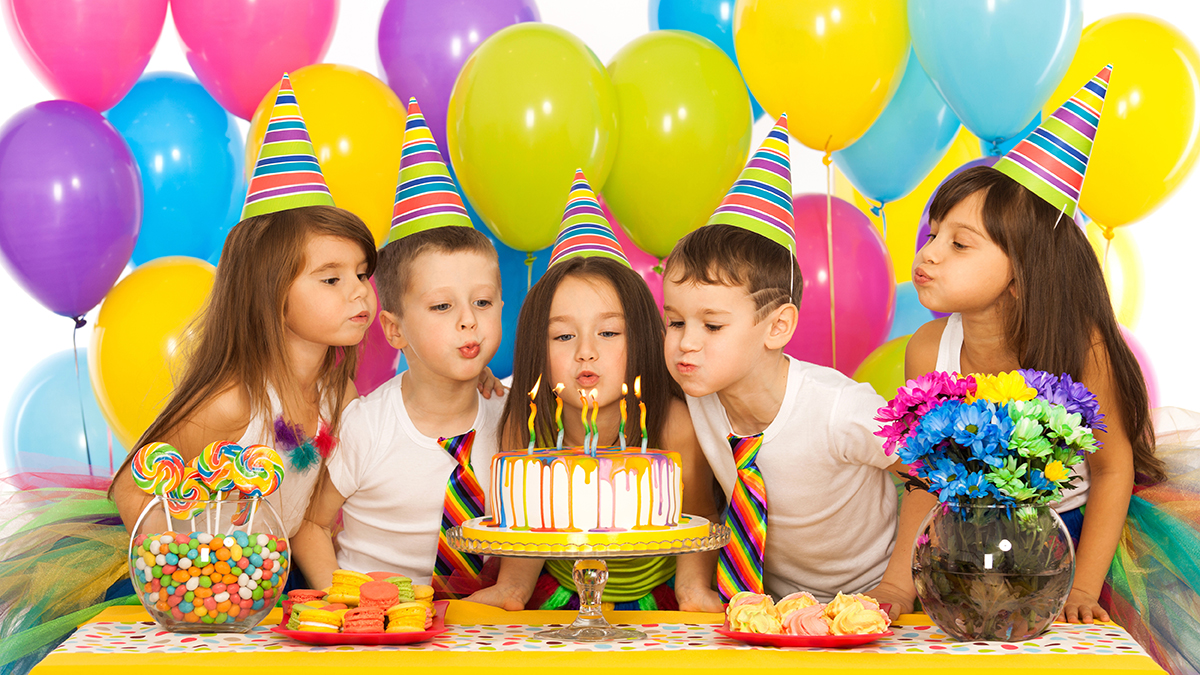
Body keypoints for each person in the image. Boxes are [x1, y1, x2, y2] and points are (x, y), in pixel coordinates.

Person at [898, 65, 1167, 625]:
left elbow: (1112, 471)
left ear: (1020, 273)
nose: (929, 254)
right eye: (931, 235)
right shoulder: (927, 351)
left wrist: (1083, 590)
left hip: (1069, 546)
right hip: (965, 549)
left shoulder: (1080, 349)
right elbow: (925, 482)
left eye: (959, 244)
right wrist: (898, 583)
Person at [109, 74, 376, 544]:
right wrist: (176, 564)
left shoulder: (339, 397)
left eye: (360, 273)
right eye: (331, 279)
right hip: (203, 584)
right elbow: (130, 488)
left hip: (272, 578)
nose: (358, 292)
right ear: (270, 292)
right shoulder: (232, 402)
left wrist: (465, 380)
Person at [660, 115, 904, 611]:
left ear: (777, 327)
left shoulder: (838, 408)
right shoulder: (696, 394)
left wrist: (897, 589)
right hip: (769, 609)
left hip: (869, 605)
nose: (686, 343)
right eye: (674, 322)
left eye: (712, 325)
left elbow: (934, 473)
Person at [467, 170, 719, 612]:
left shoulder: (673, 424)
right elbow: (526, 537)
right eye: (564, 337)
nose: (586, 353)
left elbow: (698, 525)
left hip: (652, 602)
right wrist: (513, 589)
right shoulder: (527, 426)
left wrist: (691, 592)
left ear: (640, 335)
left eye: (608, 333)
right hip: (562, 599)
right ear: (535, 350)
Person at [293, 99, 507, 595]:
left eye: (482, 301)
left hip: (483, 628)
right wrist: (347, 604)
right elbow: (311, 524)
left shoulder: (514, 412)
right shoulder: (367, 425)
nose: (469, 321)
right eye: (441, 308)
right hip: (381, 634)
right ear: (394, 330)